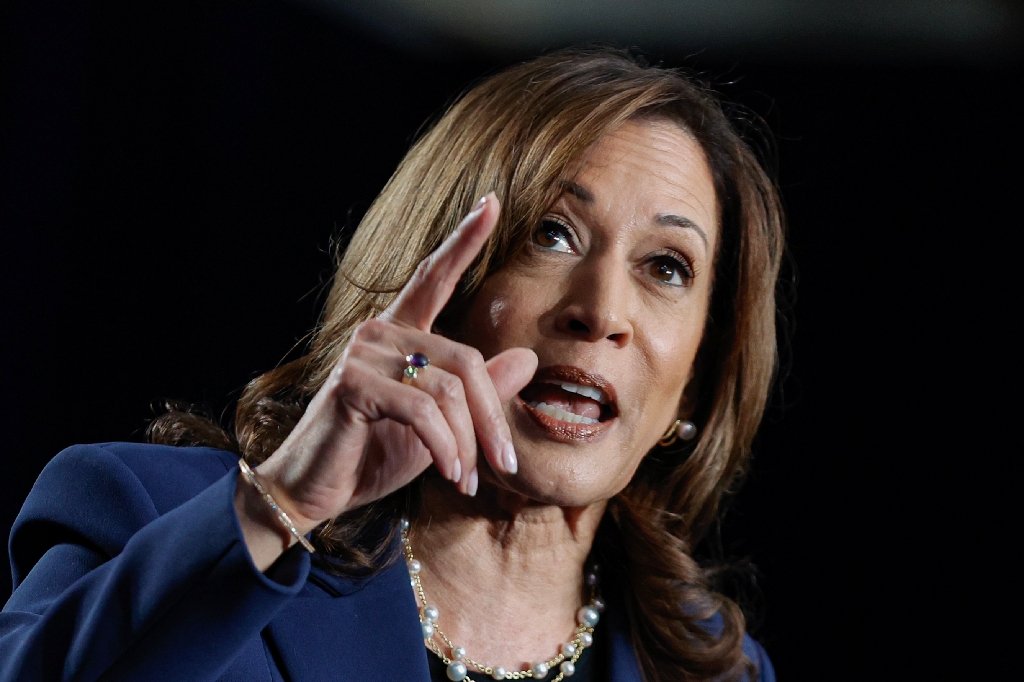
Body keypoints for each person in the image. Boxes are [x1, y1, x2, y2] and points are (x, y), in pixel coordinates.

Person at [0, 47, 783, 681]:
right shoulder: (147, 514)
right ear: (436, 279)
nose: (603, 311)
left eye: (668, 267)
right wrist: (284, 504)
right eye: (550, 233)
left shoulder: (715, 668)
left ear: (701, 375)